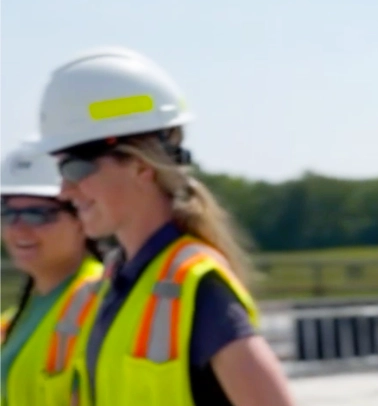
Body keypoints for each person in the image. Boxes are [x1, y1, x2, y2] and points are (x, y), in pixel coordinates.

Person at [32, 46, 295, 406]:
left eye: (74, 168)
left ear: (141, 167)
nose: (64, 190)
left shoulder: (195, 286)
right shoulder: (112, 286)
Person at [0, 138, 104, 406]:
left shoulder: (102, 299)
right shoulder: (14, 320)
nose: (18, 228)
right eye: (7, 213)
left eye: (38, 214)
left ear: (82, 218)